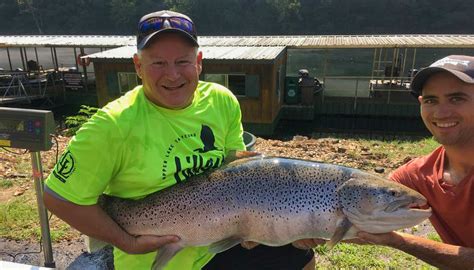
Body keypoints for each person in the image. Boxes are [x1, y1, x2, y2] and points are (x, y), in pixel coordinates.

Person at [43, 10, 314, 270]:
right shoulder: (112, 124)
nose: (172, 75)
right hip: (155, 259)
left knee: (298, 256)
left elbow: (238, 174)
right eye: (158, 63)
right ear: (138, 66)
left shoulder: (221, 101)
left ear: (198, 62)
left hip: (215, 245)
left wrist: (276, 230)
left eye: (182, 62)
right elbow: (58, 198)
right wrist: (128, 242)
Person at [293, 55, 474, 269]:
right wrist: (311, 228)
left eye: (456, 98)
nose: (441, 112)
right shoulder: (416, 175)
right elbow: (364, 212)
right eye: (431, 100)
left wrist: (398, 241)